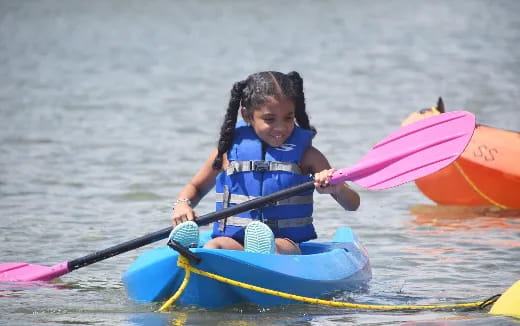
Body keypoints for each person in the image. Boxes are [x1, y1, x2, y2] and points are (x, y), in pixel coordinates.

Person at [170, 71, 360, 255]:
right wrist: (182, 204)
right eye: (269, 119)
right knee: (215, 246)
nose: (281, 127)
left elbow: (352, 204)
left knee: (278, 248)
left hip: (284, 243)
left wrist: (336, 188)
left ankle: (262, 250)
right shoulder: (227, 153)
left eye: (288, 118)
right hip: (236, 242)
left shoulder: (308, 156)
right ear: (247, 115)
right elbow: (196, 186)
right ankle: (190, 250)